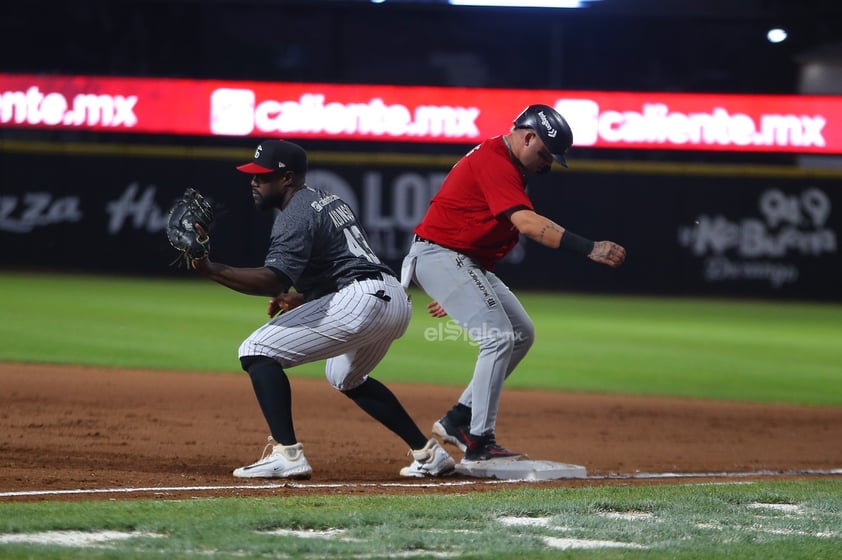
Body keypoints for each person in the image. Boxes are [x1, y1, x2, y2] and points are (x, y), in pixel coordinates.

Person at [190, 139, 455, 479]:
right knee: (345, 377)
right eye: (253, 176)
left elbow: (273, 281)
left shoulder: (295, 214)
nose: (254, 182)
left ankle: (287, 454)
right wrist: (302, 297)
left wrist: (211, 269)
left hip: (362, 300)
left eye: (263, 176)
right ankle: (428, 453)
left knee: (255, 351)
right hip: (394, 300)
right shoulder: (327, 201)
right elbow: (342, 265)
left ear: (287, 178)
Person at [402, 104, 626, 464]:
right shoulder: (496, 160)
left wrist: (460, 289)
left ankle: (459, 419)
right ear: (528, 136)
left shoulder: (507, 164)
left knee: (521, 332)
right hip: (440, 256)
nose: (548, 163)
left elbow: (477, 227)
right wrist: (589, 248)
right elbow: (528, 224)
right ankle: (480, 442)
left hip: (457, 261)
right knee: (498, 337)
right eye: (545, 153)